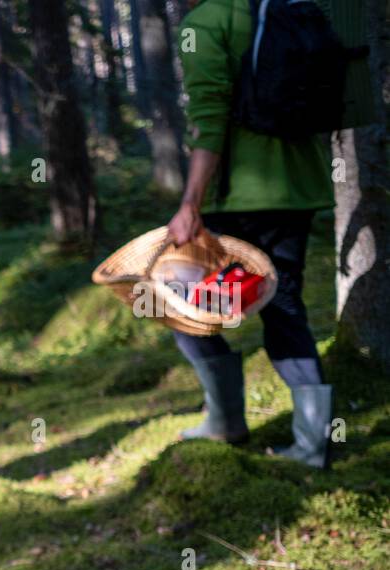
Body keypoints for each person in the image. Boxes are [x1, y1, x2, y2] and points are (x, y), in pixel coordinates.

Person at [166, 0, 334, 467]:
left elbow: (209, 117)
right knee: (283, 308)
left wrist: (190, 204)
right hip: (298, 187)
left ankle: (225, 420)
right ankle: (313, 444)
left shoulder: (204, 24)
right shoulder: (285, 11)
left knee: (178, 303)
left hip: (239, 196)